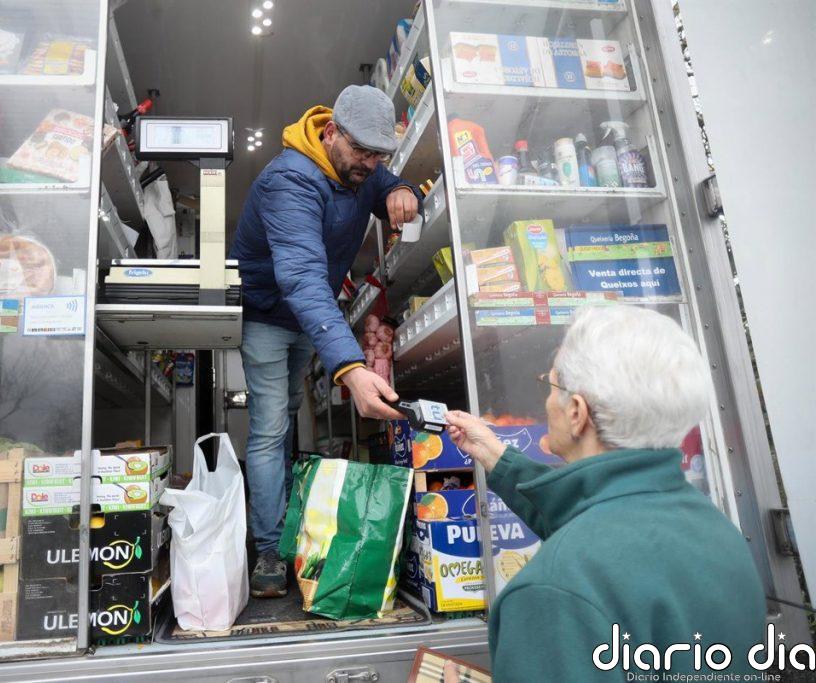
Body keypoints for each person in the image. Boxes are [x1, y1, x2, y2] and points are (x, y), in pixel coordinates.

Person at [444, 305, 765, 681]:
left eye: (550, 385)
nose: (547, 402)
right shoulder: (718, 534)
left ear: (577, 412)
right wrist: (497, 456)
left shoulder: (553, 590)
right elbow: (599, 522)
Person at [231, 85, 421, 597]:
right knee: (271, 427)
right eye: (361, 152)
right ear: (331, 132)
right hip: (271, 314)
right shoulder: (289, 181)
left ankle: (289, 528)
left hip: (305, 321)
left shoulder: (362, 162)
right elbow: (302, 280)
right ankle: (269, 552)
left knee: (289, 412)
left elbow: (381, 182)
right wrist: (351, 368)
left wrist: (402, 190)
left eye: (379, 154)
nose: (369, 163)